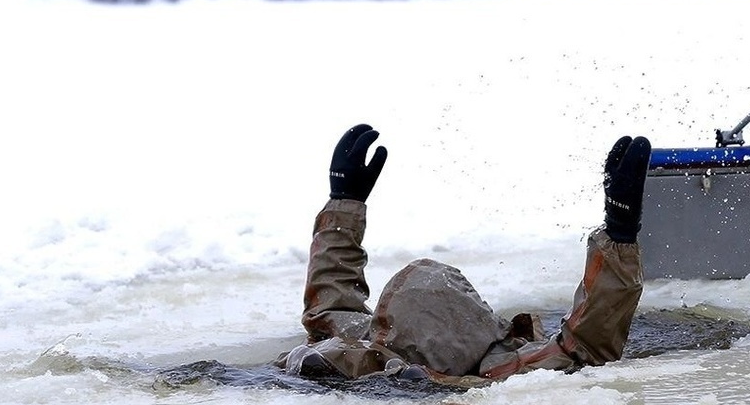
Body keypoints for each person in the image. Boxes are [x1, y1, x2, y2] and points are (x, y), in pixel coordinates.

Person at [274, 124, 651, 386]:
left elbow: (330, 311)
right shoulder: (504, 369)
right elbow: (584, 349)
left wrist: (344, 201)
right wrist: (618, 231)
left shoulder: (367, 353)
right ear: (485, 323)